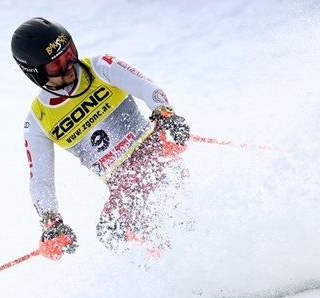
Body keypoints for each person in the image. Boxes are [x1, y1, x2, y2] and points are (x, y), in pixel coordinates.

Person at [11, 17, 192, 261]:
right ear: (35, 73)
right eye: (56, 65)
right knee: (114, 232)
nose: (68, 65)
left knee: (118, 229)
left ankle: (190, 264)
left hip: (154, 158)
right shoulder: (38, 121)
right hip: (121, 186)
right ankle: (179, 274)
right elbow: (40, 180)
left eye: (69, 53)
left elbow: (147, 86)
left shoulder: (101, 67)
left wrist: (164, 112)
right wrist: (51, 223)